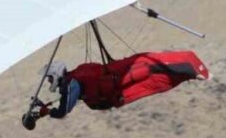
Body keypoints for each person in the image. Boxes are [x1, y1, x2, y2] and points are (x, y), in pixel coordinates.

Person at [24, 51, 210, 129]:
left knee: (147, 68)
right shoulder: (75, 76)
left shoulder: (72, 83)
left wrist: (47, 112)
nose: (49, 82)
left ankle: (188, 67)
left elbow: (64, 110)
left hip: (118, 84)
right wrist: (44, 110)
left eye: (50, 78)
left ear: (56, 74)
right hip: (116, 83)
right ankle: (187, 71)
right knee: (153, 80)